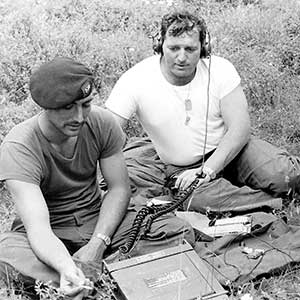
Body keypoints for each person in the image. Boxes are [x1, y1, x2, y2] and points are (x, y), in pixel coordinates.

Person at [0, 57, 194, 299]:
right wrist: (66, 266)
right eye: (68, 108)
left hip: (97, 219)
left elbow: (119, 189)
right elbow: (38, 227)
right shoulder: (19, 146)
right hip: (50, 232)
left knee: (175, 229)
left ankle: (83, 284)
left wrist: (97, 244)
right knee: (6, 252)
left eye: (86, 104)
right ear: (46, 107)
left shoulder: (102, 123)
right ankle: (97, 278)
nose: (80, 117)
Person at [106, 11, 300, 213]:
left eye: (190, 49)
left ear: (204, 48)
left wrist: (207, 170)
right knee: (197, 200)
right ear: (160, 45)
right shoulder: (135, 79)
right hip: (182, 168)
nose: (181, 57)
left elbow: (240, 128)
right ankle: (276, 203)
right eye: (173, 48)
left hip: (234, 150)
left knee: (285, 175)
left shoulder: (221, 69)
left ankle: (265, 194)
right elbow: (107, 129)